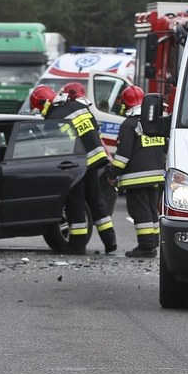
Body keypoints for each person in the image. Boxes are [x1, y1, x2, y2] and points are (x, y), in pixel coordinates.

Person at [40, 82, 117, 255]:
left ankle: (77, 244)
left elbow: (56, 147)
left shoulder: (54, 117)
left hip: (77, 164)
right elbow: (95, 130)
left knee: (75, 203)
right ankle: (110, 241)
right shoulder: (78, 106)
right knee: (96, 201)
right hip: (95, 159)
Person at [110, 86, 166, 258]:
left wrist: (111, 174)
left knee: (139, 212)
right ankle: (154, 242)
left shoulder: (129, 125)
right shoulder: (156, 122)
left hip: (137, 178)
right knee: (151, 210)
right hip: (157, 175)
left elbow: (123, 156)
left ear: (126, 104)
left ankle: (146, 247)